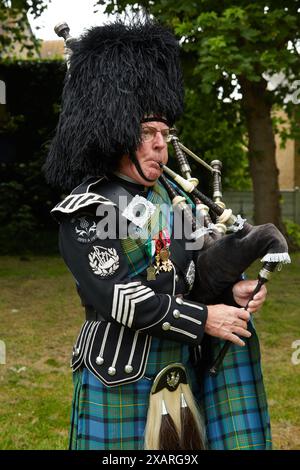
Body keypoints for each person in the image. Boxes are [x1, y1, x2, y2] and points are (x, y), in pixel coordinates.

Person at [44, 19, 270, 450]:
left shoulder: (173, 199)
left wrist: (230, 292)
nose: (160, 145)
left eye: (164, 133)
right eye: (146, 133)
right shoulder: (87, 208)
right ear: (114, 135)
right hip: (118, 371)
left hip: (182, 363)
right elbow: (119, 298)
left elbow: (195, 273)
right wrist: (205, 318)